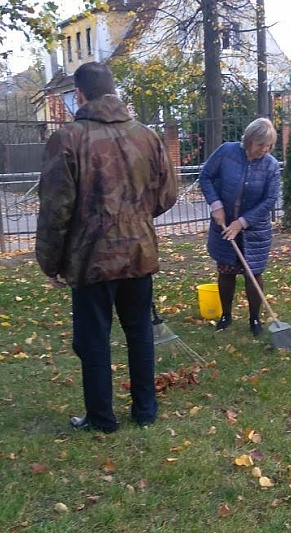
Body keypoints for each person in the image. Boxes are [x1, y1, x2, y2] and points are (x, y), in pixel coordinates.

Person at [36, 62, 178, 433]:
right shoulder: (147, 136)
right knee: (139, 331)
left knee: (93, 339)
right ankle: (145, 410)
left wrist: (49, 262)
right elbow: (167, 195)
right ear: (113, 92)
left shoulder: (67, 139)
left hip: (91, 256)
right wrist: (136, 219)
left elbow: (56, 208)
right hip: (138, 252)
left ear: (79, 95)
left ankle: (102, 417)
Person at [199, 118, 280, 336]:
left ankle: (255, 319)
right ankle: (226, 315)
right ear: (248, 140)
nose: (264, 150)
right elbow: (205, 176)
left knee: (254, 273)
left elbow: (270, 199)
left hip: (254, 231)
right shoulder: (227, 152)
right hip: (223, 225)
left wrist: (242, 222)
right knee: (226, 270)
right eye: (260, 145)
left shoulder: (271, 166)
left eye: (269, 146)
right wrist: (216, 205)